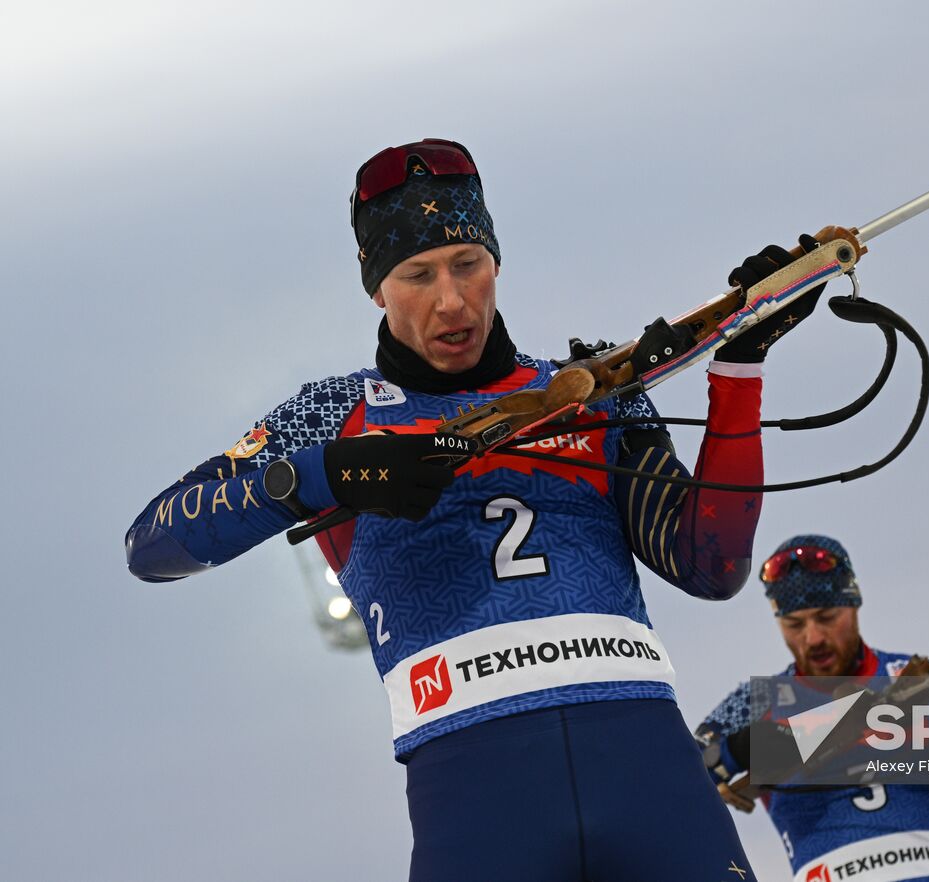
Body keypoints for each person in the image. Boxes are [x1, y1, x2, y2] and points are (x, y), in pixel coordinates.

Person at [125, 138, 827, 880]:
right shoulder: (334, 413)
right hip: (474, 781)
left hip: (646, 757)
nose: (452, 301)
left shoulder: (589, 387)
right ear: (376, 287)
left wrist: (739, 368)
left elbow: (711, 565)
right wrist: (327, 471)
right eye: (417, 275)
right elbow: (152, 546)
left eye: (468, 265)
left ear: (497, 261)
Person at [695, 535, 929, 882]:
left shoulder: (922, 676)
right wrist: (737, 749)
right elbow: (678, 777)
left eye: (826, 617)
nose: (813, 638)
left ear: (854, 605)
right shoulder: (757, 701)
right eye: (794, 624)